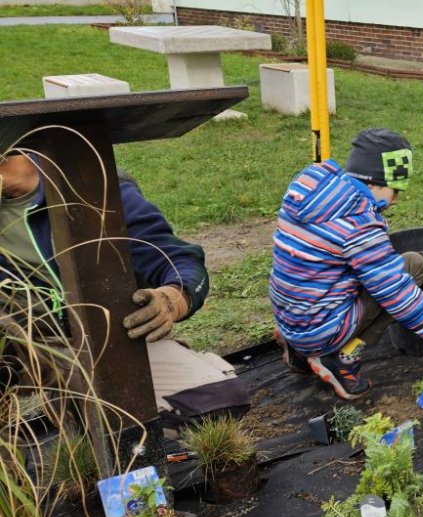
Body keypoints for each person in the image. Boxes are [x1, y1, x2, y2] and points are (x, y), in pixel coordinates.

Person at [0, 151, 243, 418]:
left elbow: (176, 260)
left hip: (105, 340)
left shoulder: (94, 186)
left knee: (215, 403)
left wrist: (170, 300)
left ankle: (81, 410)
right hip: (18, 344)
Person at [270, 128, 423, 400]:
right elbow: (399, 295)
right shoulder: (358, 224)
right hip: (320, 329)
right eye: (394, 190)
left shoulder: (310, 183)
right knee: (411, 266)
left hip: (290, 315)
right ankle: (340, 358)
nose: (395, 199)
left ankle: (300, 351)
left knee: (360, 271)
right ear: (374, 180)